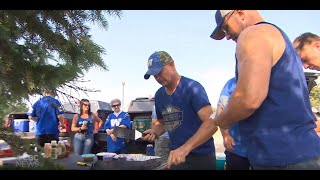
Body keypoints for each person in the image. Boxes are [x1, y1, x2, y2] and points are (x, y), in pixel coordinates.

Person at [210, 10, 320, 170]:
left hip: (284, 159)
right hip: (302, 154)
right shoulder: (278, 38)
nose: (227, 36)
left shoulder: (253, 34)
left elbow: (248, 99)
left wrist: (221, 120)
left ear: (240, 13)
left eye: (226, 28)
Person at [142, 51, 218, 170]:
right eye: (154, 75)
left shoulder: (192, 88)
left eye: (159, 72)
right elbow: (162, 123)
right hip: (176, 158)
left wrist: (185, 148)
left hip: (201, 157)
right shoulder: (159, 95)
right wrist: (155, 131)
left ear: (172, 65)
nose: (157, 77)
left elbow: (212, 124)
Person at [216, 77, 251, 170]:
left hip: (263, 150)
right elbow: (220, 110)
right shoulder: (231, 84)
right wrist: (225, 135)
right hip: (237, 149)